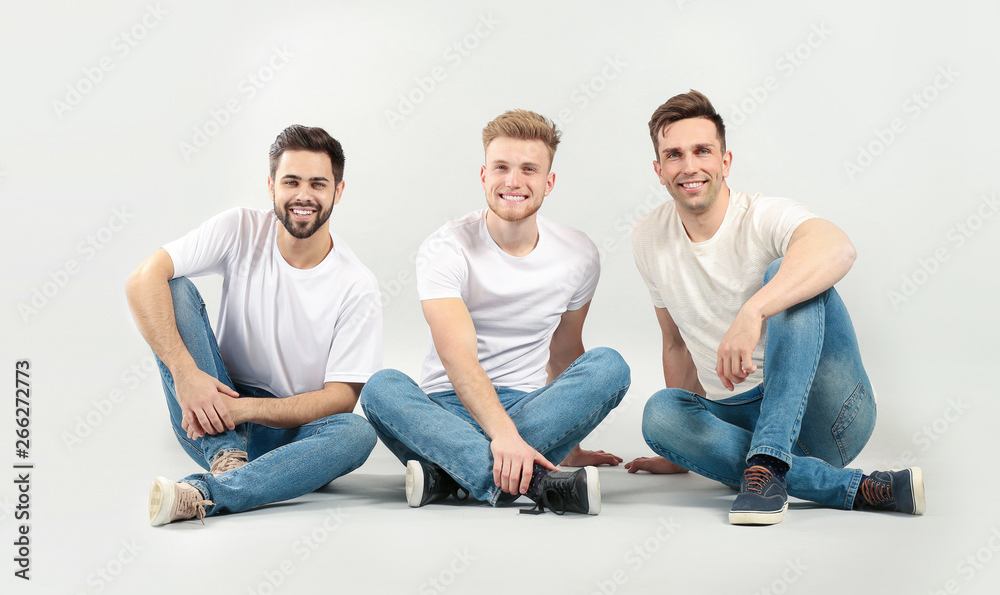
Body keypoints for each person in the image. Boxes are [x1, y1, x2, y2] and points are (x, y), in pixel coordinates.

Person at [624, 90, 925, 525]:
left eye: (702, 151)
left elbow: (838, 248)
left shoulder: (764, 215)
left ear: (725, 162)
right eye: (674, 155)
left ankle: (768, 458)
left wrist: (754, 312)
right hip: (739, 417)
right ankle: (824, 482)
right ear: (659, 170)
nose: (689, 166)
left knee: (789, 273)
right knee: (660, 413)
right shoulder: (647, 237)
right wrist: (684, 449)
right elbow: (674, 344)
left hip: (827, 416)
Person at [360, 109, 630, 516]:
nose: (513, 181)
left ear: (548, 182)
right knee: (381, 387)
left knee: (610, 366)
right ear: (484, 175)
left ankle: (448, 476)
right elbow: (457, 355)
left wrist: (569, 441)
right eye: (501, 167)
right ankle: (540, 483)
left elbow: (565, 351)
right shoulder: (445, 248)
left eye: (529, 169)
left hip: (530, 408)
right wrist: (503, 436)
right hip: (444, 408)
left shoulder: (580, 254)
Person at [126, 125, 381, 526]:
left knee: (358, 433)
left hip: (288, 434)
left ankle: (206, 492)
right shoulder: (239, 228)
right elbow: (142, 280)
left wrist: (242, 409)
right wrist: (186, 374)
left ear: (338, 191)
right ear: (271, 186)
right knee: (172, 287)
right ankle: (228, 458)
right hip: (209, 417)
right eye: (291, 181)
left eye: (318, 183)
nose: (303, 195)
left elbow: (340, 399)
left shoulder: (357, 283)